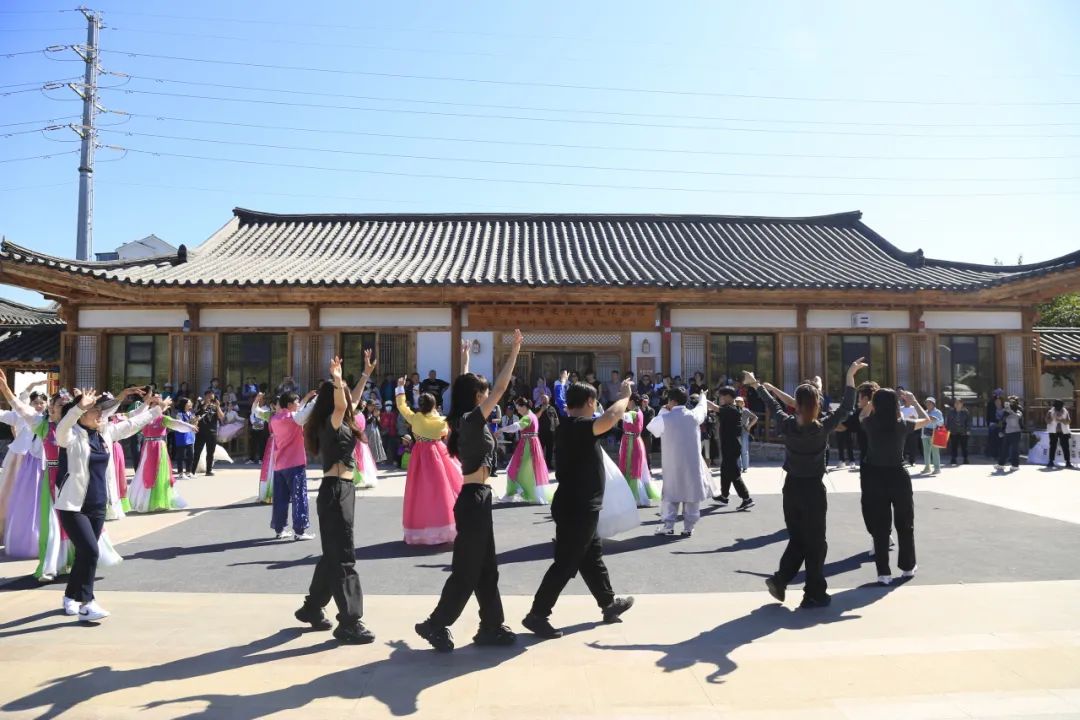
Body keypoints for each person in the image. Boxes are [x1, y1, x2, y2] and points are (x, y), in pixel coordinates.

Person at [414, 333, 523, 652]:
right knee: (466, 570)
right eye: (484, 393)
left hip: (479, 498)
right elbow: (500, 389)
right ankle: (435, 624)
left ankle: (491, 626)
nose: (490, 397)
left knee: (487, 569)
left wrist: (465, 361)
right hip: (473, 500)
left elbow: (470, 386)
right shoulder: (471, 420)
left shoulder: (465, 418)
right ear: (477, 396)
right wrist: (514, 351)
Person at [522, 377, 635, 640]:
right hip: (578, 507)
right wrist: (624, 397)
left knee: (591, 556)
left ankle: (608, 603)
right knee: (565, 562)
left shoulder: (570, 426)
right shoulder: (577, 426)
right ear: (590, 401)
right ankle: (537, 614)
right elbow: (610, 418)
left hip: (578, 505)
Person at [746, 359, 863, 608]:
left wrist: (756, 384)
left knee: (798, 538)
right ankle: (813, 592)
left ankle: (781, 580)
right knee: (816, 542)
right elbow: (847, 407)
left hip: (791, 488)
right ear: (817, 404)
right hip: (813, 489)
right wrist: (849, 375)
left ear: (796, 405)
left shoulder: (787, 424)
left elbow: (772, 404)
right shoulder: (822, 426)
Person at [55, 388, 162, 622]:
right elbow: (62, 427)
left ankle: (70, 596)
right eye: (94, 411)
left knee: (85, 553)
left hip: (97, 504)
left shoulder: (104, 433)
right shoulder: (69, 436)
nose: (99, 414)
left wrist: (156, 410)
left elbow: (131, 425)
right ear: (81, 414)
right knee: (91, 551)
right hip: (72, 506)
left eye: (99, 411)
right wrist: (78, 407)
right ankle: (87, 603)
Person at [294, 356, 376, 644]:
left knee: (333, 554)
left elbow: (350, 402)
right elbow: (343, 405)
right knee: (343, 556)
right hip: (335, 492)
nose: (348, 398)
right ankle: (350, 622)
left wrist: (365, 374)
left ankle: (311, 608)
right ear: (334, 399)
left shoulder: (341, 419)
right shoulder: (331, 421)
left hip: (342, 491)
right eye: (342, 392)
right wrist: (338, 378)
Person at [859, 387, 929, 585]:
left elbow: (861, 416)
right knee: (905, 523)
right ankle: (907, 567)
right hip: (898, 476)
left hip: (875, 477)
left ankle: (883, 573)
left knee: (880, 526)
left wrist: (870, 402)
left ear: (876, 405)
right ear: (896, 405)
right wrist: (914, 402)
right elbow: (927, 420)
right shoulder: (903, 425)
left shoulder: (870, 424)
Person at [395, 378, 462, 546]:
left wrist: (401, 388)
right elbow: (445, 433)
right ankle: (446, 526)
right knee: (443, 490)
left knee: (419, 492)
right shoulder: (441, 421)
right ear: (434, 405)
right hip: (439, 454)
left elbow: (402, 407)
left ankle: (421, 529)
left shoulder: (416, 418)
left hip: (419, 456)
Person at [646, 387, 713, 536]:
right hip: (692, 463)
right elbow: (702, 408)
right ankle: (689, 527)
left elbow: (651, 428)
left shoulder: (665, 417)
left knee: (671, 494)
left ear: (672, 401)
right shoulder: (693, 416)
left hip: (672, 463)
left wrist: (663, 411)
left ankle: (668, 526)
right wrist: (703, 396)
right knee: (691, 495)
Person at [129, 394, 197, 513]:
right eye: (154, 404)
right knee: (147, 472)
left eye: (158, 404)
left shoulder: (163, 419)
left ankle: (160, 500)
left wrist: (189, 426)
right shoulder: (144, 418)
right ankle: (145, 501)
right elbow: (131, 420)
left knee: (160, 473)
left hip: (159, 447)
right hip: (147, 448)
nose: (156, 406)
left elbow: (176, 423)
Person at [269, 389, 318, 540]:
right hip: (295, 464)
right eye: (296, 402)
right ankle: (300, 531)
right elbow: (306, 412)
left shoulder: (275, 419)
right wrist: (316, 399)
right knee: (299, 497)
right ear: (290, 404)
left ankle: (280, 529)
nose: (298, 404)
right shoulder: (294, 418)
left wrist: (306, 399)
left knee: (280, 498)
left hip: (279, 465)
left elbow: (299, 412)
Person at [498, 396, 552, 504]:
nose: (518, 411)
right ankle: (526, 492)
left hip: (527, 446)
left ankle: (518, 492)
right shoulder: (533, 416)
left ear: (524, 407)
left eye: (518, 408)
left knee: (515, 468)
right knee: (531, 470)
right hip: (532, 444)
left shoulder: (527, 417)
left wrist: (501, 429)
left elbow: (515, 427)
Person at [714, 387, 754, 511]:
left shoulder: (732, 409)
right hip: (728, 445)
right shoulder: (728, 408)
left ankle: (746, 498)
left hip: (732, 446)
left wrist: (702, 399)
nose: (720, 398)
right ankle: (724, 496)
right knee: (725, 471)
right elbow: (716, 410)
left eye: (722, 396)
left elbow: (715, 408)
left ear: (728, 397)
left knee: (733, 473)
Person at [619, 394, 659, 507]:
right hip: (631, 440)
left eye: (627, 401)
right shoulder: (637, 411)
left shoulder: (634, 413)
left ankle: (634, 497)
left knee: (632, 467)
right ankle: (632, 496)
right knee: (633, 467)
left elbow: (619, 415)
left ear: (631, 401)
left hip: (632, 442)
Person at [192, 390, 225, 477]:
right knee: (197, 452)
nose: (211, 398)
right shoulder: (200, 404)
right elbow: (196, 414)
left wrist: (218, 406)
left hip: (212, 432)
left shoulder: (215, 406)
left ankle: (209, 470)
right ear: (205, 396)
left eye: (212, 396)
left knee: (210, 452)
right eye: (209, 396)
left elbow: (222, 417)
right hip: (201, 432)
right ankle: (192, 471)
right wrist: (205, 405)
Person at [995, 396, 1025, 471]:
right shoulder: (1006, 411)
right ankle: (1001, 464)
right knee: (1004, 449)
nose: (1011, 403)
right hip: (1007, 432)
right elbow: (1003, 421)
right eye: (1009, 402)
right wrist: (1002, 431)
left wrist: (1011, 411)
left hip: (1016, 432)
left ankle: (1015, 465)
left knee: (1015, 450)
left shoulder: (1019, 409)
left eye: (1012, 402)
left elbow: (1018, 416)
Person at [170, 397, 196, 480]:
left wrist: (196, 420)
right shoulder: (179, 414)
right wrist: (190, 423)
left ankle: (188, 472)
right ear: (184, 404)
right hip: (182, 436)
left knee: (191, 455)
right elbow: (180, 423)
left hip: (190, 436)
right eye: (189, 402)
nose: (191, 404)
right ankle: (180, 473)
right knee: (181, 455)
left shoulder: (190, 413)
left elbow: (193, 423)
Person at [920, 397, 945, 475]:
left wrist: (935, 419)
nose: (927, 404)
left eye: (929, 403)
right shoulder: (924, 412)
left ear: (933, 404)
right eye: (926, 403)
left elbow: (941, 423)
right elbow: (921, 422)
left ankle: (937, 468)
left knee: (935, 451)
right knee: (926, 452)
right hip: (925, 434)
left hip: (935, 433)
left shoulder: (938, 412)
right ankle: (927, 467)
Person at [1046, 400, 1073, 469]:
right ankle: (1051, 461)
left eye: (1059, 407)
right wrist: (1052, 418)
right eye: (1057, 407)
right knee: (1052, 446)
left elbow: (1069, 421)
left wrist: (1062, 420)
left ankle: (1068, 462)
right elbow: (1047, 421)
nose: (1058, 408)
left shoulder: (1066, 411)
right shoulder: (1050, 411)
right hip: (1053, 431)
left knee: (1065, 447)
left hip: (1063, 432)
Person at [735, 395, 758, 472]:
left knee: (744, 449)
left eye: (739, 402)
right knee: (737, 449)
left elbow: (755, 418)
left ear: (743, 403)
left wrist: (749, 426)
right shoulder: (734, 410)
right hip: (736, 431)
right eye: (737, 401)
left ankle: (745, 467)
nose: (738, 403)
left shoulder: (745, 411)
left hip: (744, 431)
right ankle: (738, 467)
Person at [946, 398, 972, 466]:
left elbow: (968, 422)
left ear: (962, 404)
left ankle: (965, 459)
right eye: (956, 403)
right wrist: (948, 429)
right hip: (953, 431)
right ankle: (953, 459)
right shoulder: (951, 412)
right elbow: (948, 421)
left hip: (963, 431)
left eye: (958, 403)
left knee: (964, 446)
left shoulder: (965, 412)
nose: (957, 404)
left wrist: (968, 430)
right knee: (954, 446)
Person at [535, 394, 558, 467]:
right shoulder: (538, 407)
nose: (544, 400)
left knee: (550, 449)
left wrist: (557, 429)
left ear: (548, 400)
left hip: (551, 432)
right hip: (541, 432)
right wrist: (542, 410)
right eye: (543, 399)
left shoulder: (552, 408)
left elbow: (556, 419)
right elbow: (536, 417)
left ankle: (548, 464)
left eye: (545, 399)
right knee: (540, 449)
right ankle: (539, 464)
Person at [248, 391, 270, 465]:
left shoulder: (267, 408)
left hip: (262, 428)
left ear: (264, 400)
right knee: (252, 443)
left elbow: (265, 419)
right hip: (254, 426)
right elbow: (252, 415)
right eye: (258, 398)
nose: (260, 400)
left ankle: (261, 459)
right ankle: (251, 459)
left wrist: (259, 424)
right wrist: (254, 422)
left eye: (262, 399)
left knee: (262, 443)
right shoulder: (255, 407)